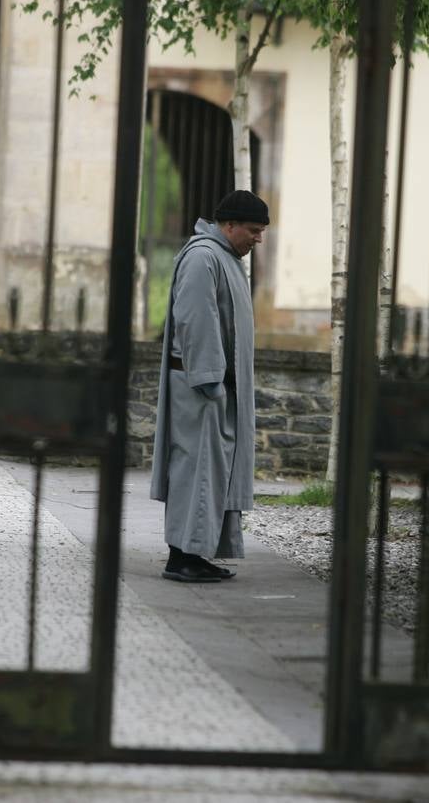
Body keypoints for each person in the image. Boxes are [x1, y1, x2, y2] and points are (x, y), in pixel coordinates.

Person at [149, 190, 268, 583]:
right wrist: (210, 383)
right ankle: (181, 557)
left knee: (211, 471)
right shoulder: (204, 257)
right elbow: (195, 319)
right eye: (253, 230)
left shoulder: (223, 258)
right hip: (203, 388)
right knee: (195, 469)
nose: (259, 239)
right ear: (229, 224)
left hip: (214, 388)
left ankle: (196, 553)